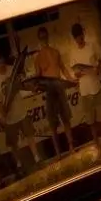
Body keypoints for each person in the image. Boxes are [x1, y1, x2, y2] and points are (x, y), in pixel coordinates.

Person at [0, 54, 41, 177]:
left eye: (1, 62)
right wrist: (1, 114)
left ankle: (37, 158)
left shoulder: (13, 69)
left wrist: (31, 88)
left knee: (29, 136)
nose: (1, 65)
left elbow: (24, 82)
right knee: (13, 144)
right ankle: (19, 165)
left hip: (21, 111)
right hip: (9, 118)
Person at [68, 22, 101, 158]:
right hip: (84, 91)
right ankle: (97, 146)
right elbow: (75, 72)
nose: (80, 38)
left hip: (96, 88)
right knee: (91, 121)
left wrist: (98, 68)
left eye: (81, 35)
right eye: (77, 37)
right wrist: (80, 73)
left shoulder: (92, 46)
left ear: (83, 34)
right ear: (74, 38)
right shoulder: (73, 52)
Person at [34, 26, 75, 157]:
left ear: (47, 36)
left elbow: (63, 69)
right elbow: (38, 77)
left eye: (45, 36)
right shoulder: (38, 57)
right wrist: (35, 87)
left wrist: (72, 80)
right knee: (52, 124)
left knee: (66, 119)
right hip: (49, 90)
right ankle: (58, 153)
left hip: (58, 85)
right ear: (39, 39)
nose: (43, 39)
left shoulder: (55, 52)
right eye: (41, 37)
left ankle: (71, 147)